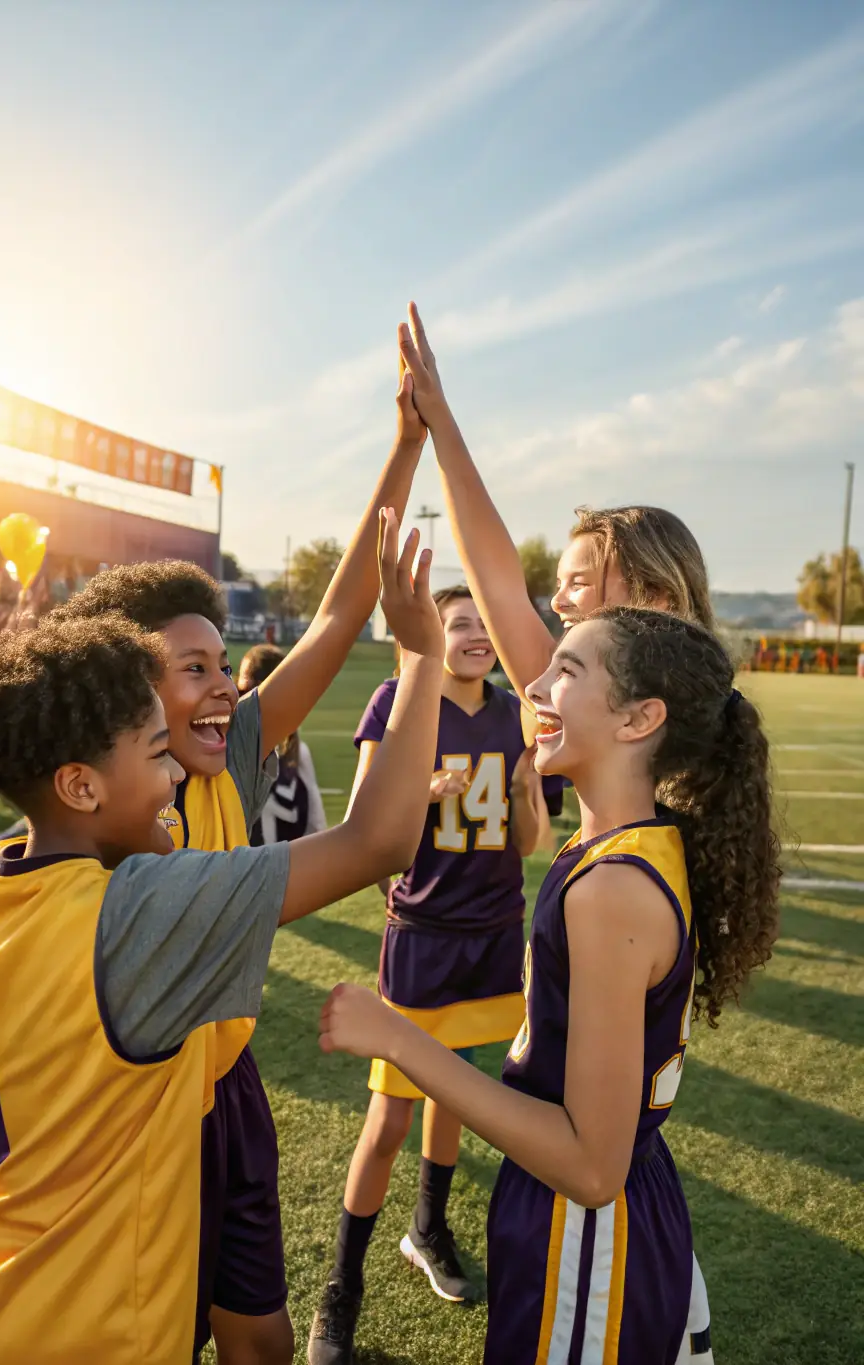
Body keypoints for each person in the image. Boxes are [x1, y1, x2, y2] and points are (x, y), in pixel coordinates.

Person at [0, 510, 447, 1365]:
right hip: (74, 1325)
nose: (172, 782)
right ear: (80, 783)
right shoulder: (133, 915)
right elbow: (379, 840)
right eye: (157, 754)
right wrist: (421, 657)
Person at [54, 381, 427, 1365]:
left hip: (229, 1088)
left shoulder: (235, 752)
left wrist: (404, 444)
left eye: (225, 664)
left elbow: (337, 616)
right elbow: (377, 839)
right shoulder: (101, 835)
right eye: (194, 669)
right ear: (128, 693)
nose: (225, 686)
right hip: (143, 1116)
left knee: (260, 1339)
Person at [319, 607, 781, 1365]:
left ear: (639, 719)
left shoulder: (612, 890)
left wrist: (398, 1037)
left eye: (566, 670)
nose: (532, 686)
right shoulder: (625, 844)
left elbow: (591, 1168)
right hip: (593, 1212)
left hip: (586, 1233)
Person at [395, 302, 723, 1362]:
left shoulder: (637, 778)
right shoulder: (634, 742)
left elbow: (591, 1159)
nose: (549, 607)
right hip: (613, 1176)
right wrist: (441, 427)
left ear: (653, 603)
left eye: (577, 587)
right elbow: (496, 577)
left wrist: (443, 426)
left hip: (596, 1202)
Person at [307, 584, 564, 1364]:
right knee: (389, 1119)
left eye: (485, 622)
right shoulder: (398, 698)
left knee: (455, 1089)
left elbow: (529, 840)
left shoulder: (518, 712)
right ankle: (341, 1287)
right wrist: (421, 790)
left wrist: (522, 793)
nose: (477, 634)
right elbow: (363, 819)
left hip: (493, 937)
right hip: (422, 938)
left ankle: (428, 1226)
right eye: (459, 623)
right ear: (431, 633)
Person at [236, 643, 328, 845]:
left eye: (242, 692)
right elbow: (316, 828)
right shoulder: (298, 753)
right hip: (289, 863)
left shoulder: (229, 752)